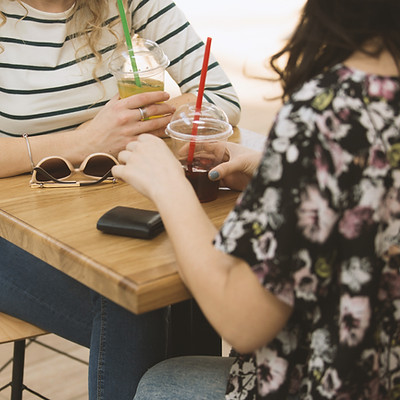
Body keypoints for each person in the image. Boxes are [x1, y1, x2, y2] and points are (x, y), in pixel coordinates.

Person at [112, 0, 400, 398]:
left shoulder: (327, 114)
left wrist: (168, 185)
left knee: (160, 383)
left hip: (333, 381)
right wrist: (277, 175)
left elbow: (242, 321)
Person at [0, 0, 240, 399]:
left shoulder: (131, 3)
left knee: (183, 277)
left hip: (92, 214)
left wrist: (142, 119)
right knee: (136, 302)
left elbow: (220, 99)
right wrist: (82, 141)